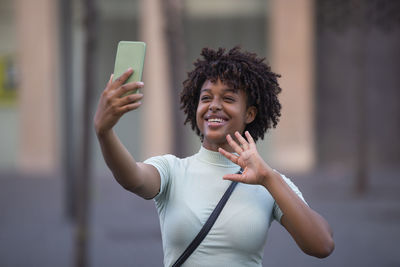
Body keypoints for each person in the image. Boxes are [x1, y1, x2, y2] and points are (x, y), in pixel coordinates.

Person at [94, 47, 334, 266]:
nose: (214, 106)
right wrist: (104, 132)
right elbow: (132, 178)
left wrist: (268, 179)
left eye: (228, 99)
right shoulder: (173, 170)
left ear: (249, 114)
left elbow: (321, 245)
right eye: (206, 98)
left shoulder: (269, 181)